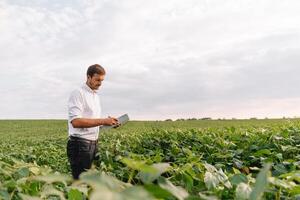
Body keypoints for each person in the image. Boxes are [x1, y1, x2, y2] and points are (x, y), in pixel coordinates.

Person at [67, 64, 119, 179]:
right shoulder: (78, 93)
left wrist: (109, 123)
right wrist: (103, 121)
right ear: (88, 77)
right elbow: (75, 122)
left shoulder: (95, 96)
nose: (100, 83)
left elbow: (93, 122)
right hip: (80, 145)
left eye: (102, 80)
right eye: (97, 80)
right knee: (81, 183)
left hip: (93, 144)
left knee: (92, 182)